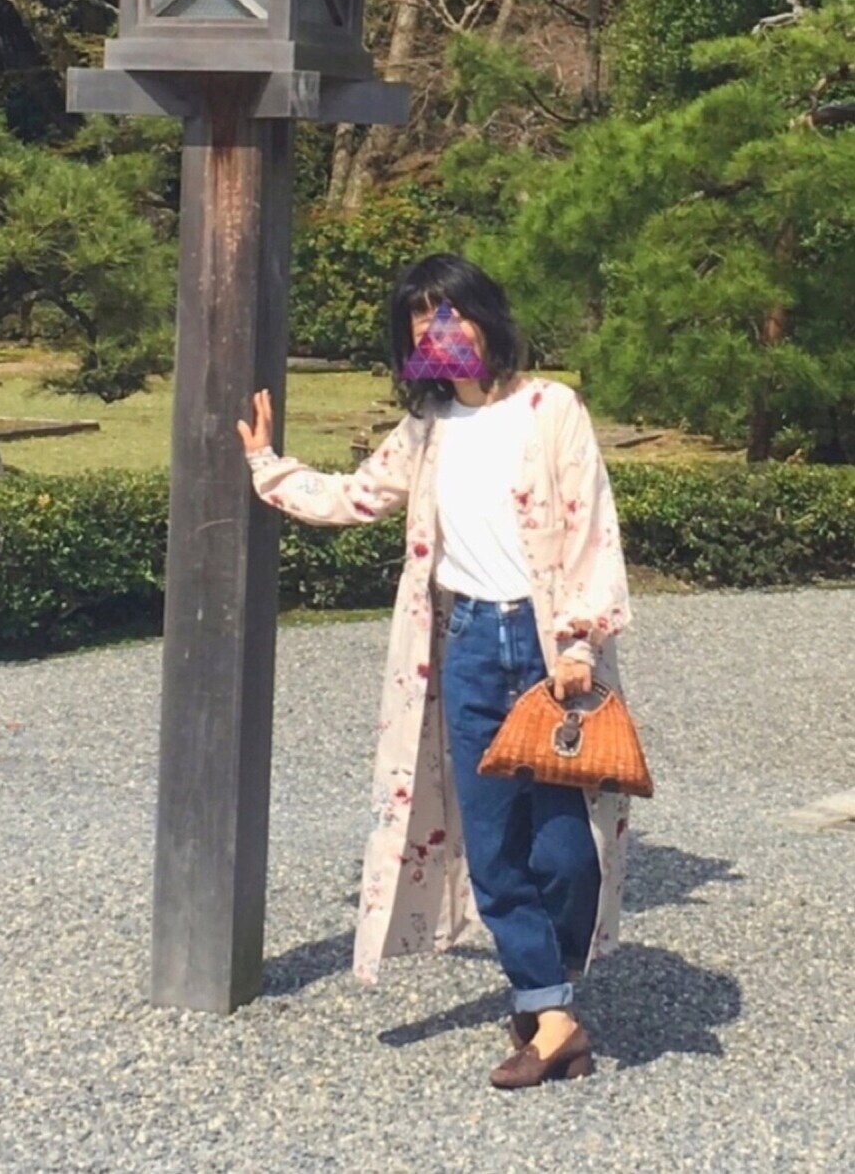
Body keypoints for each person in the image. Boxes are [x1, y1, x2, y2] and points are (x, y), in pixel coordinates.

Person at [236, 254, 632, 1088]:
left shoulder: (549, 409)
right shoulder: (426, 427)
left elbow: (590, 526)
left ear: (485, 317)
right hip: (467, 646)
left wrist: (579, 644)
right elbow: (356, 496)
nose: (438, 328)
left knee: (567, 850)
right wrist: (269, 466)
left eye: (449, 309)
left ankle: (549, 994)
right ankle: (551, 1014)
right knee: (492, 845)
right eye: (420, 316)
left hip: (549, 650)